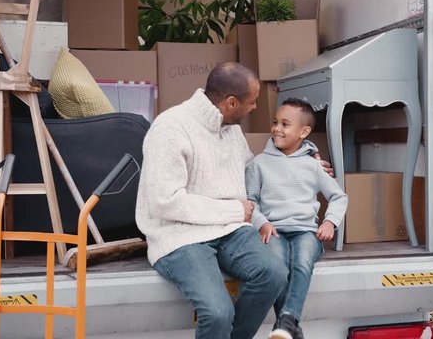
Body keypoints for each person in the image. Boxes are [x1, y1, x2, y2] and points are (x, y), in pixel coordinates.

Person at [135, 62, 289, 339]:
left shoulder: (231, 129)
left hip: (228, 228)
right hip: (179, 233)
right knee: (218, 313)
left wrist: (304, 160)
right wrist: (233, 210)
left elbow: (249, 174)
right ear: (231, 103)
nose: (255, 108)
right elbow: (165, 202)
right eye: (252, 102)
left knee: (274, 273)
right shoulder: (170, 128)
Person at [245, 98, 348, 339]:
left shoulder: (313, 167)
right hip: (274, 230)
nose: (276, 128)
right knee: (278, 268)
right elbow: (250, 202)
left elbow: (339, 196)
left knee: (301, 263)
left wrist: (329, 221)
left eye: (285, 124)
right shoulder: (258, 164)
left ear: (304, 132)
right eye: (275, 122)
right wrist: (262, 223)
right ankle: (290, 328)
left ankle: (288, 320)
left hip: (305, 231)